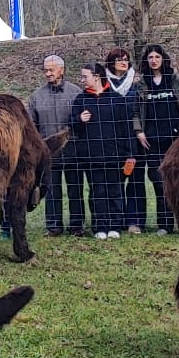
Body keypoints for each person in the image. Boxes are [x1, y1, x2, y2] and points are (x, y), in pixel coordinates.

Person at [133, 43, 179, 234]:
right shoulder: (142, 84)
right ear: (146, 61)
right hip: (152, 141)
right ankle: (164, 224)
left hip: (176, 141)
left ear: (163, 59)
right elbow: (135, 111)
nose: (154, 60)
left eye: (157, 57)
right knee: (159, 182)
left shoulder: (176, 81)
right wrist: (139, 131)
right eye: (150, 57)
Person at [72, 64, 135, 239]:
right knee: (96, 192)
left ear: (97, 77)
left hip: (115, 157)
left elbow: (126, 129)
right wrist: (79, 119)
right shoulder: (80, 100)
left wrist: (130, 154)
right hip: (91, 158)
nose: (82, 80)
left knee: (115, 191)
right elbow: (72, 127)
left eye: (85, 77)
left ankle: (115, 226)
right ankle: (100, 227)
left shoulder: (116, 99)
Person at [27, 55, 85, 237]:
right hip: (48, 154)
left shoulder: (76, 93)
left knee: (75, 188)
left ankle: (77, 225)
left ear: (62, 70)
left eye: (51, 70)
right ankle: (53, 226)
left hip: (73, 150)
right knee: (51, 190)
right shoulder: (36, 97)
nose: (47, 73)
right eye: (45, 70)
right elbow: (31, 127)